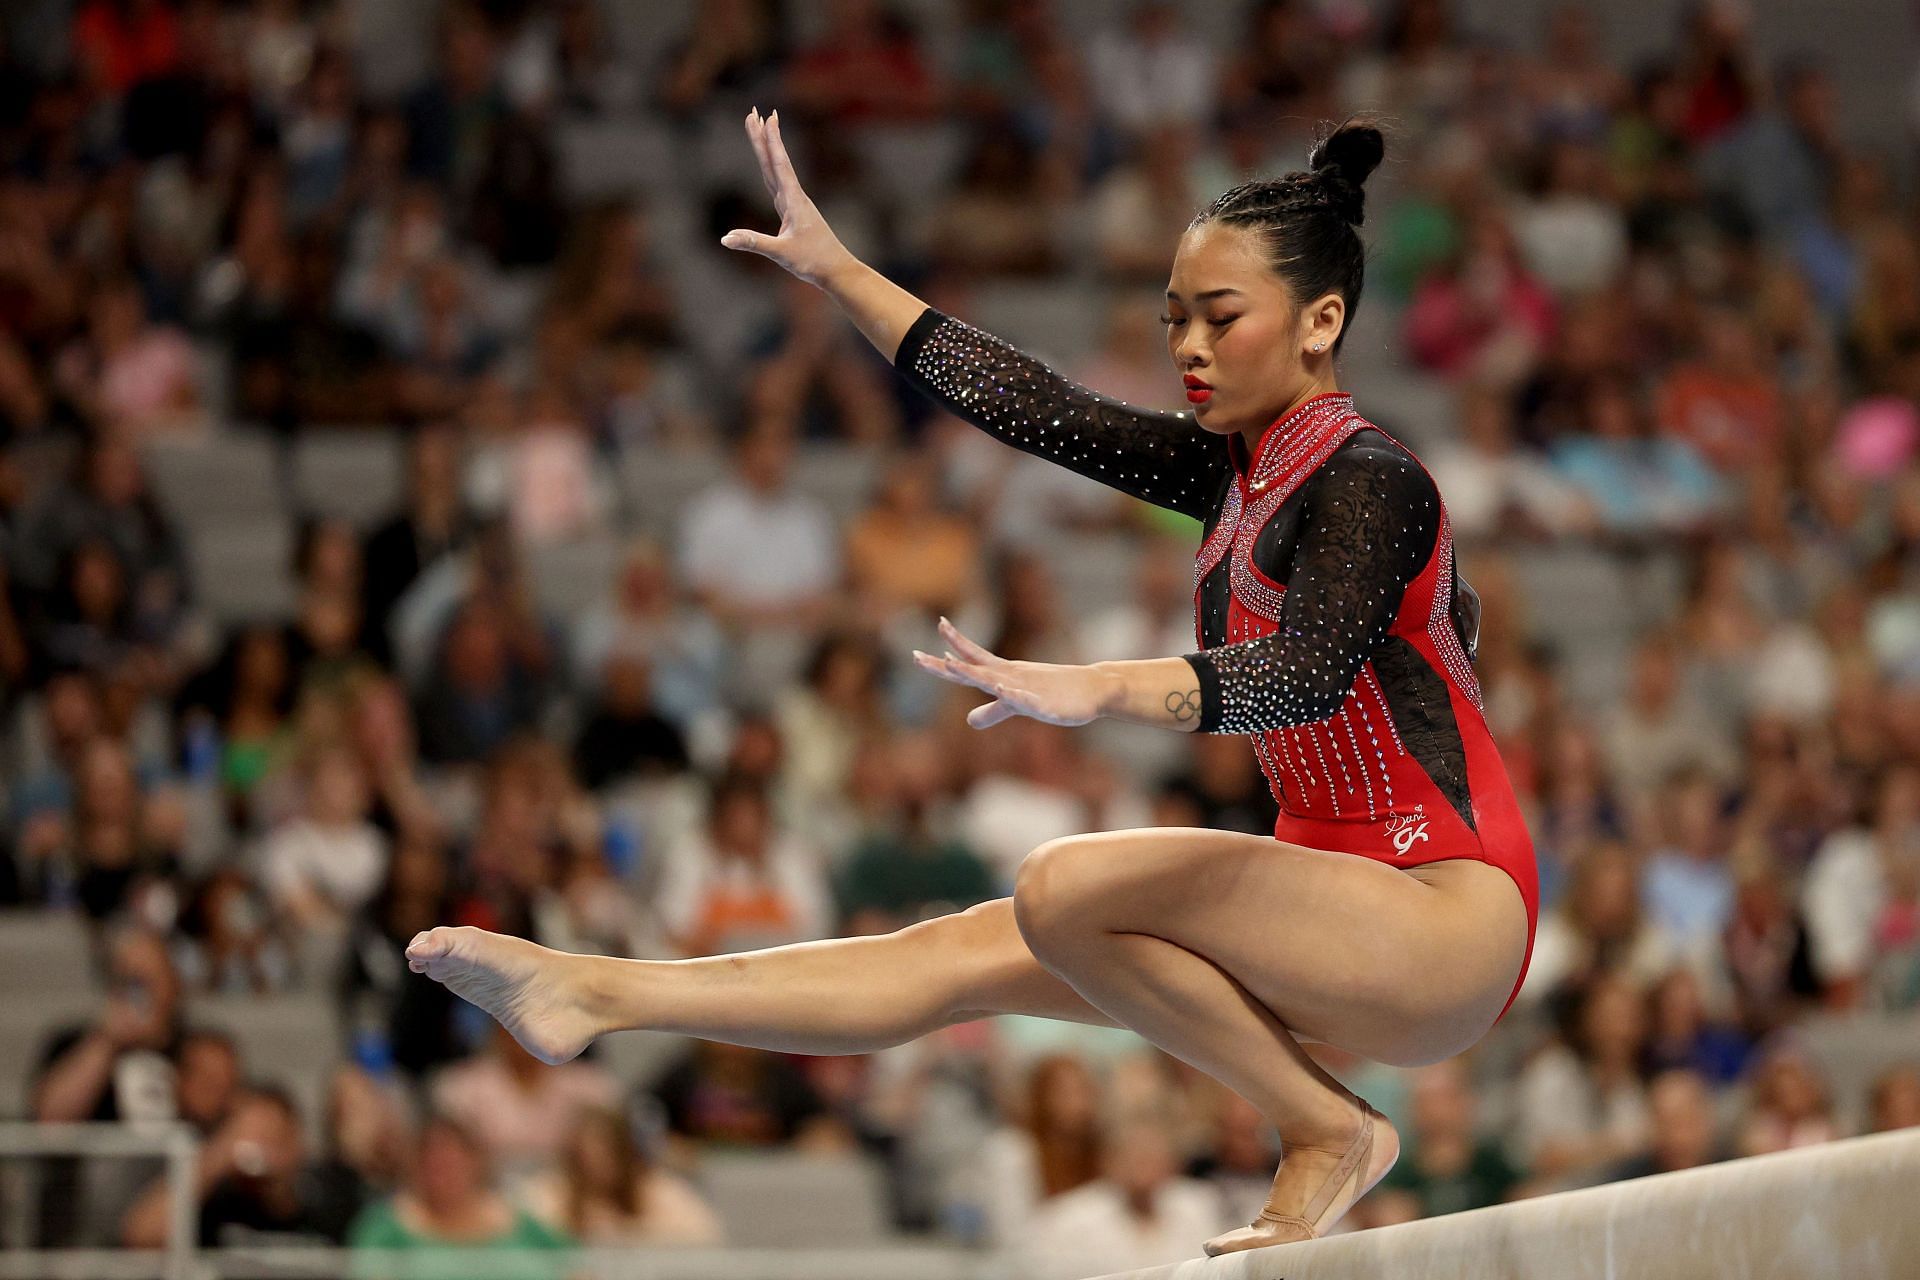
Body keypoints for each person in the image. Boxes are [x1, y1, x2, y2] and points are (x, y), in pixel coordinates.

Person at [404, 108, 1539, 1257]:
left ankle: (1324, 1126)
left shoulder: (1375, 482)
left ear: (1321, 322)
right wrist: (844, 274)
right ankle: (600, 993)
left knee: (1059, 889)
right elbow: (1034, 405)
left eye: (1220, 316)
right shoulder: (1230, 475)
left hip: (1441, 906)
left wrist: (1098, 687)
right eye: (1173, 319)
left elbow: (1302, 675)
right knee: (953, 957)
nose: (1187, 347)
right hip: (1327, 909)